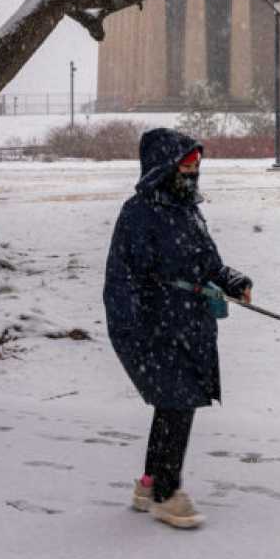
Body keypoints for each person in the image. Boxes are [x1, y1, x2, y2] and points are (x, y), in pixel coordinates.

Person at [104, 127, 252, 529]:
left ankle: (149, 484)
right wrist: (134, 332)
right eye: (186, 166)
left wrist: (232, 281)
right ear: (164, 169)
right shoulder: (138, 214)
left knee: (173, 405)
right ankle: (168, 495)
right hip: (155, 330)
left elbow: (209, 264)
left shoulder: (188, 210)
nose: (193, 173)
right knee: (178, 403)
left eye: (196, 166)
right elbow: (121, 281)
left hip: (190, 326)